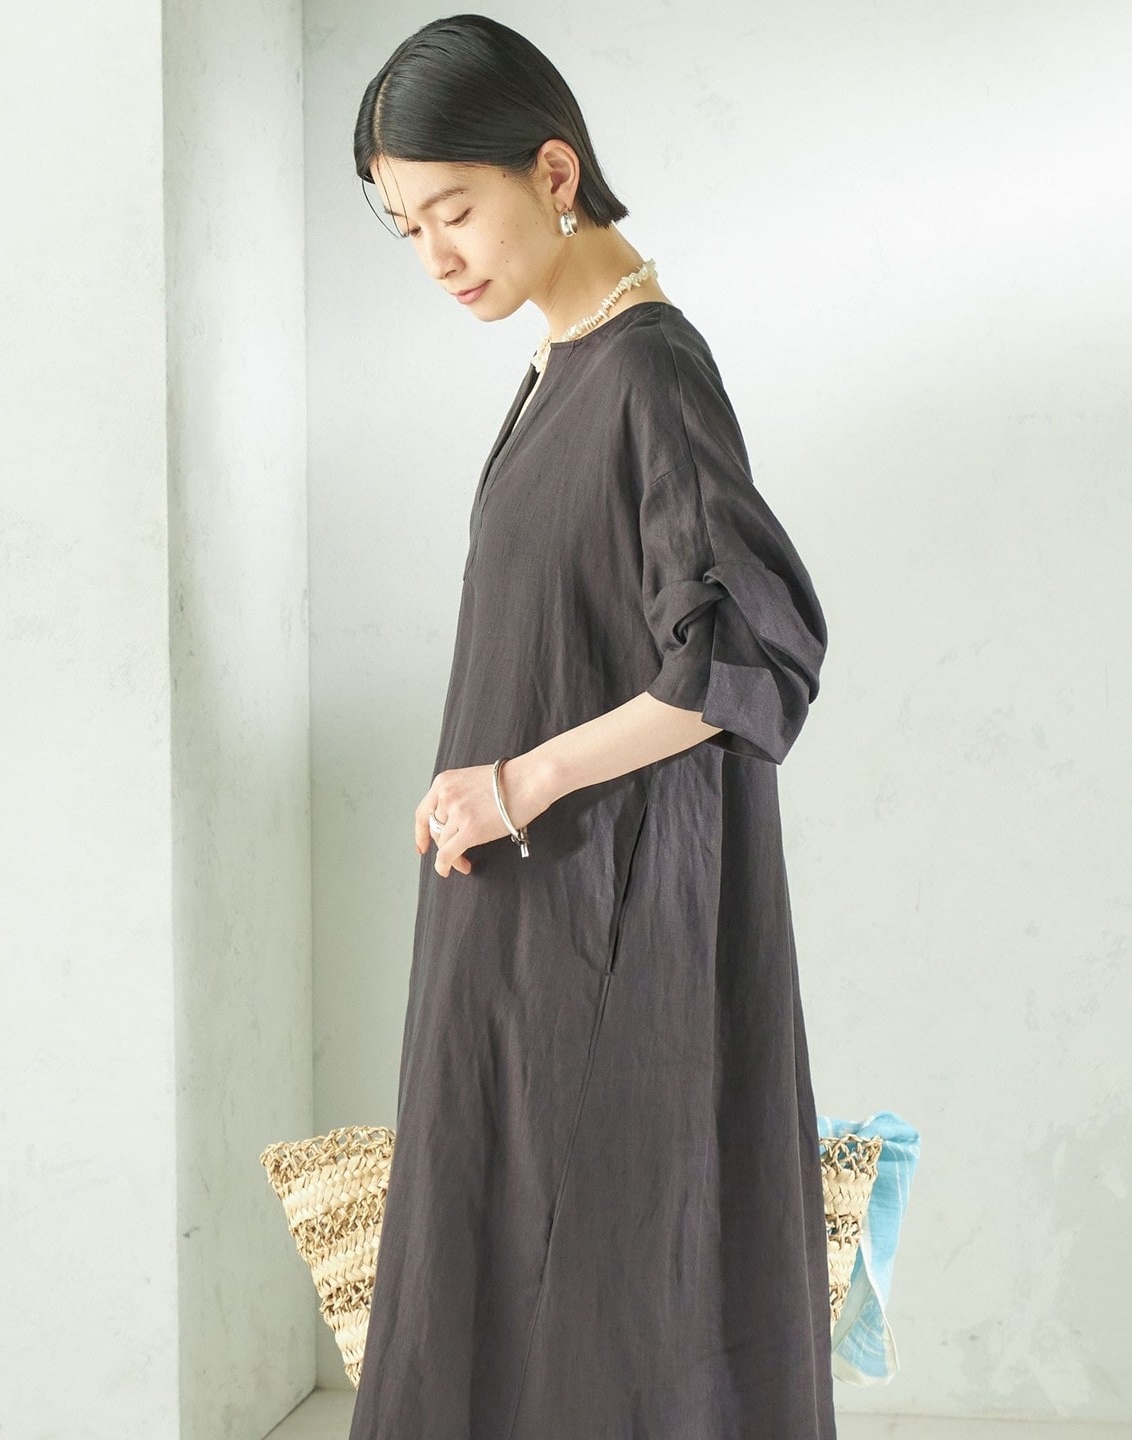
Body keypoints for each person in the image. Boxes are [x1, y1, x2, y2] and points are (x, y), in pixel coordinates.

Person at [348, 15, 836, 1440]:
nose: (435, 256)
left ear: (553, 172)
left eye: (454, 209)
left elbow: (748, 647)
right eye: (406, 227)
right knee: (516, 1274)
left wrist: (517, 782)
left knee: (616, 1285)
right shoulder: (563, 365)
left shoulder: (646, 373)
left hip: (611, 923)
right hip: (530, 915)